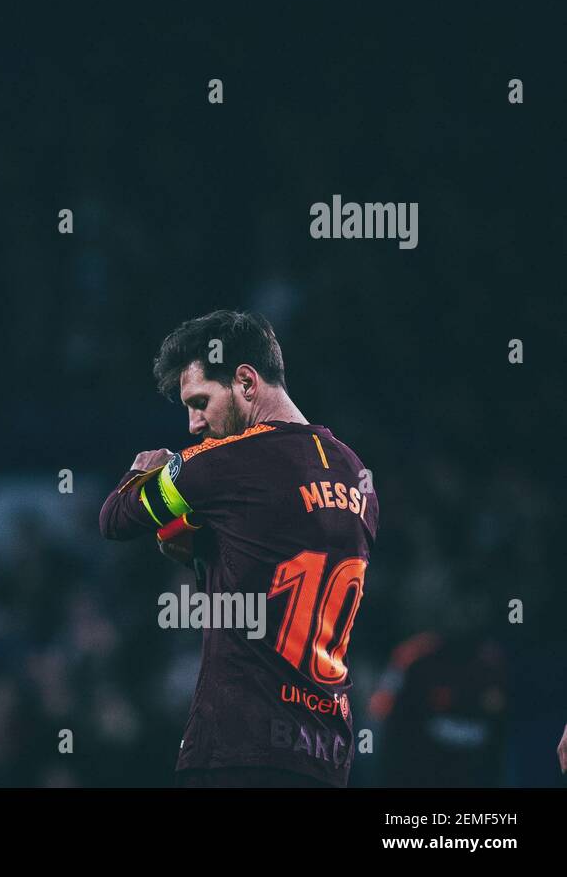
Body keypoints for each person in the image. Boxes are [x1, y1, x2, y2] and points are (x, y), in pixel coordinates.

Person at [100, 310, 379, 787]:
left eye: (200, 401)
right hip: (325, 754)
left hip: (240, 748)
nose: (192, 424)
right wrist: (204, 552)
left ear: (246, 381)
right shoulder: (358, 475)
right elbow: (268, 548)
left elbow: (117, 517)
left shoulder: (224, 462)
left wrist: (143, 470)